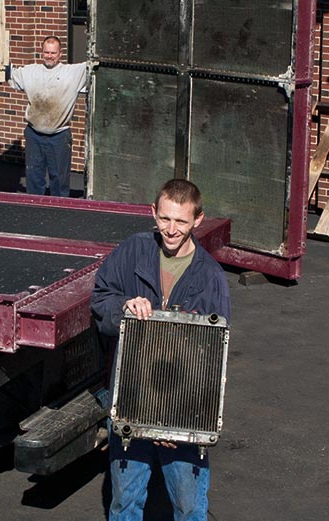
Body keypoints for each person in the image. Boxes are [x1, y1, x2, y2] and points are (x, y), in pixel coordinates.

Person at [90, 178, 230, 521]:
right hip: (132, 401)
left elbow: (211, 360)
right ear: (153, 212)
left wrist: (170, 422)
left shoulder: (211, 278)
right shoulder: (133, 251)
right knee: (125, 503)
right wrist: (124, 307)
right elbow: (100, 301)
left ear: (198, 220)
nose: (171, 229)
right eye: (164, 218)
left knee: (188, 507)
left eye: (181, 221)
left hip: (183, 413)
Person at [8, 36, 91, 197]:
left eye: (53, 52)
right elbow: (7, 72)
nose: (49, 56)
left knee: (59, 180)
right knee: (34, 178)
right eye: (46, 52)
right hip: (34, 134)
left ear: (60, 54)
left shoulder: (73, 73)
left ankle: (59, 213)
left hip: (59, 136)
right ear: (42, 52)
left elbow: (96, 63)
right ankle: (34, 210)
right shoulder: (30, 72)